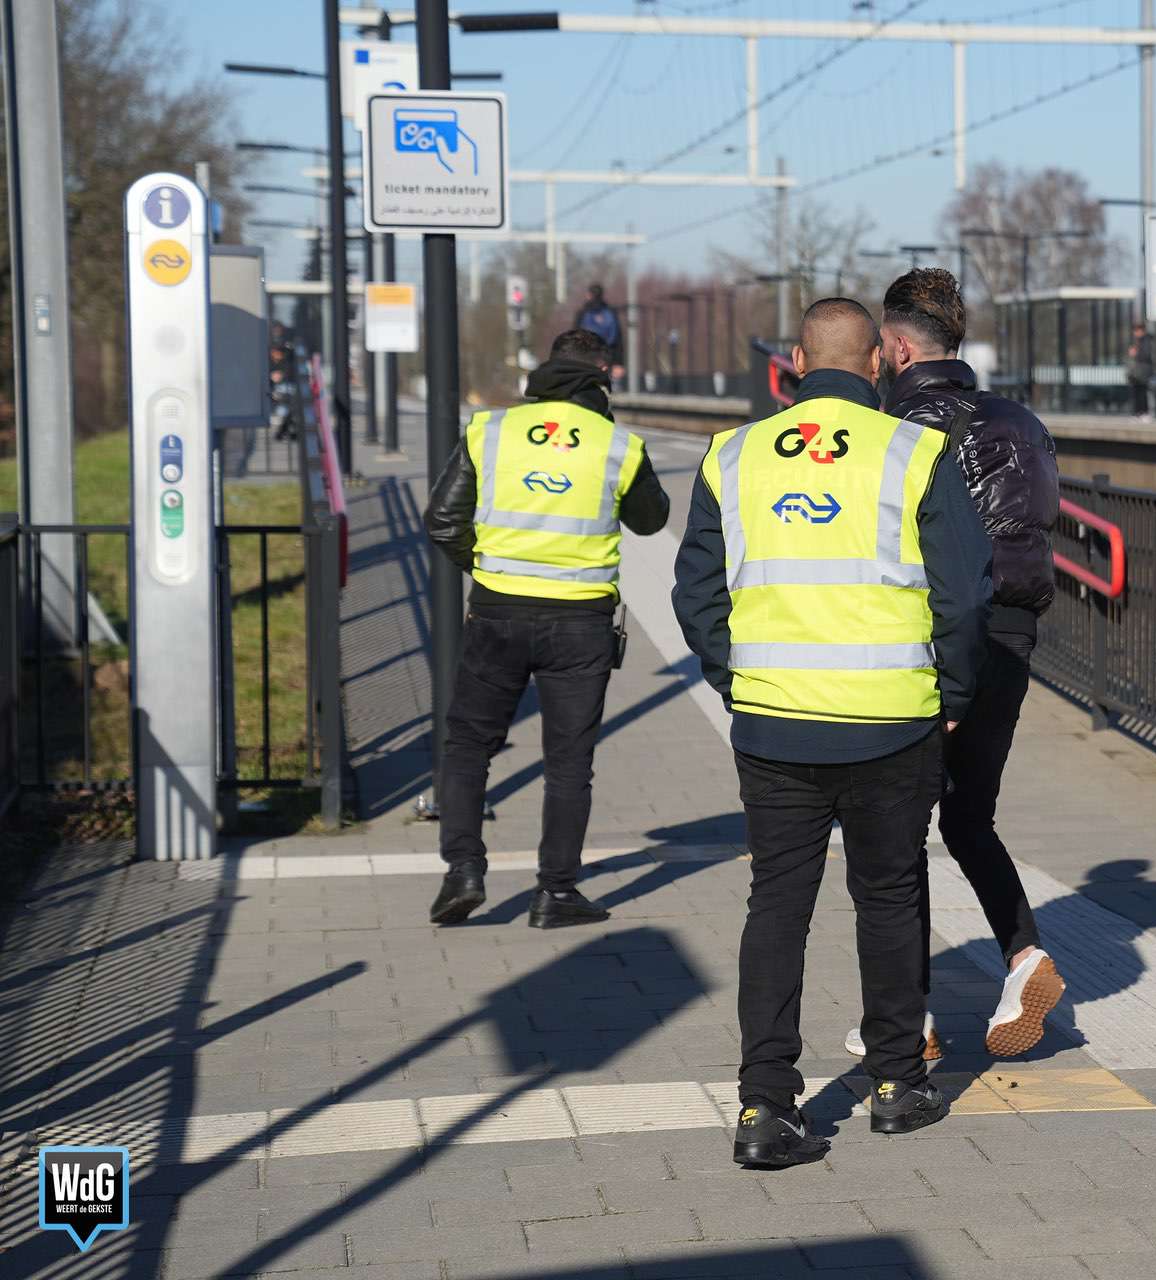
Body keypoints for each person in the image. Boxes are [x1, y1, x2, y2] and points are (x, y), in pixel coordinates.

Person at [672, 297, 991, 1168]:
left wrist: (739, 680)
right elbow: (963, 595)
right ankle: (896, 1085)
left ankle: (765, 1108)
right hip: (893, 721)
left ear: (796, 361)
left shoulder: (731, 456)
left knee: (777, 907)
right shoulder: (914, 453)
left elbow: (694, 594)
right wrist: (952, 692)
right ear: (879, 363)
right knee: (888, 898)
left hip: (774, 725)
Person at [866, 268, 1064, 1063]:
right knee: (968, 815)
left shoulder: (898, 432)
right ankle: (1025, 958)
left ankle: (907, 1018)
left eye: (881, 349)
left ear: (900, 346)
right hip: (1014, 636)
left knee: (898, 827)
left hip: (933, 639)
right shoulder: (1020, 419)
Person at [423, 329, 671, 929]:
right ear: (603, 374)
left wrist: (487, 568)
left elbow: (442, 519)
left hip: (497, 611)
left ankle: (463, 870)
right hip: (580, 622)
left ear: (544, 371)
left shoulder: (492, 431)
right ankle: (555, 893)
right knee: (568, 762)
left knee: (468, 745)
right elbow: (652, 519)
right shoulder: (617, 445)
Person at [575, 283, 623, 355]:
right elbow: (617, 338)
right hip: (607, 354)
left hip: (586, 355)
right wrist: (618, 362)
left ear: (589, 295)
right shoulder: (610, 312)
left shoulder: (583, 312)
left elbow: (575, 336)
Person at [1126, 321, 1156, 421]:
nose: (1135, 333)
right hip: (1136, 372)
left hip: (1143, 371)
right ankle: (1137, 413)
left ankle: (1144, 413)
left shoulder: (1147, 341)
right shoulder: (1137, 341)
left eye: (1136, 330)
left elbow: (1147, 355)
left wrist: (1136, 353)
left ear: (1141, 331)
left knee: (1142, 392)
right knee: (1136, 392)